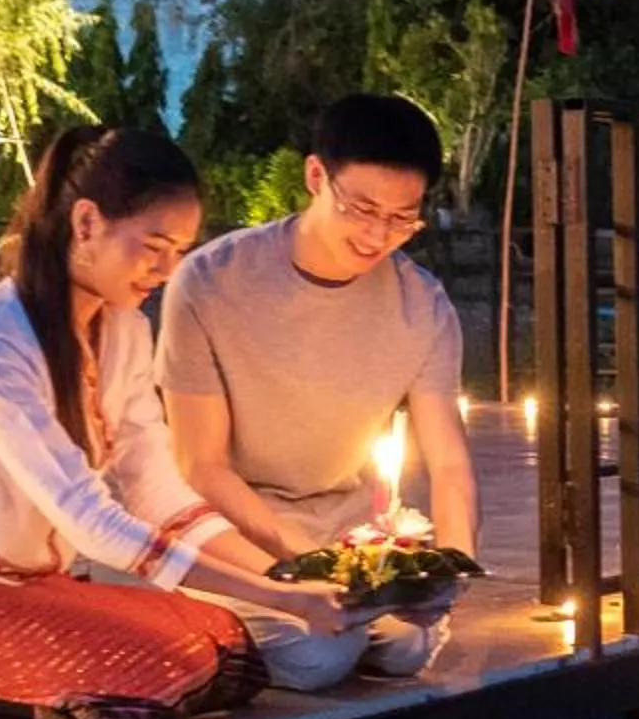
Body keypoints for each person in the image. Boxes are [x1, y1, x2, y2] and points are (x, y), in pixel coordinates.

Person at [0, 126, 363, 719]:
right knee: (125, 700)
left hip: (24, 589)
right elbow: (91, 520)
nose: (167, 271)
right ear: (86, 222)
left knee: (224, 649)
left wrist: (289, 581)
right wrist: (282, 596)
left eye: (180, 250)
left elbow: (158, 494)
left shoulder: (122, 331)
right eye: (154, 246)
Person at [161, 93, 477, 683]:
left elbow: (449, 460)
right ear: (315, 176)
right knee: (319, 660)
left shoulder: (422, 305)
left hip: (352, 537)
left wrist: (447, 572)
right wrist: (303, 569)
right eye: (361, 208)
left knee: (406, 646)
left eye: (401, 218)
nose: (377, 234)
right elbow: (201, 465)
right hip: (234, 534)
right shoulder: (210, 282)